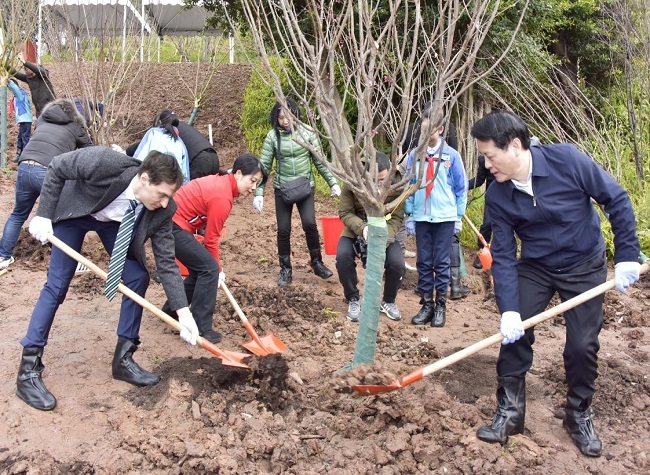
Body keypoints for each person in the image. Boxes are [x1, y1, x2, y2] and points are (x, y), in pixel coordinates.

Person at [470, 110, 640, 457]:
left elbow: (617, 199)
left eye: (490, 156)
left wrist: (626, 255)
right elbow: (502, 256)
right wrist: (510, 310)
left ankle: (578, 413)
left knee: (582, 345)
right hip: (536, 266)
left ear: (514, 146)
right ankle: (511, 412)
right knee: (514, 335)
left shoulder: (567, 160)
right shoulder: (497, 195)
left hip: (583, 264)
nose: (487, 166)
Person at [16, 148, 200, 411]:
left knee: (137, 277)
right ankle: (28, 370)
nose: (163, 202)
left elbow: (166, 262)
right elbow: (57, 166)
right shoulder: (106, 163)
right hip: (77, 213)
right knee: (57, 285)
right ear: (144, 179)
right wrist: (44, 214)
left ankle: (123, 359)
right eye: (161, 194)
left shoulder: (163, 208)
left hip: (112, 223)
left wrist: (183, 313)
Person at [162, 154, 266, 343]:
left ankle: (170, 310)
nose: (253, 187)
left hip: (175, 223)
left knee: (200, 268)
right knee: (208, 269)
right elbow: (211, 239)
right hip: (171, 225)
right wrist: (217, 269)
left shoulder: (224, 185)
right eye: (252, 181)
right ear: (239, 173)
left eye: (257, 183)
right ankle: (202, 327)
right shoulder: (222, 197)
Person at [252, 98, 341, 286]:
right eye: (281, 118)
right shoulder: (272, 137)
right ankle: (285, 269)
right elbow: (265, 166)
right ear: (276, 118)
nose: (285, 121)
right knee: (283, 230)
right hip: (282, 189)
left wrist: (333, 182)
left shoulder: (308, 133)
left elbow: (319, 161)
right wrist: (259, 192)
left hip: (305, 186)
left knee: (310, 224)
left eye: (288, 117)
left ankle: (317, 263)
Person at [0, 98, 92, 270]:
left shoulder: (42, 120)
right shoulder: (75, 127)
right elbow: (90, 151)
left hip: (25, 165)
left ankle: (3, 256)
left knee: (18, 214)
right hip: (48, 172)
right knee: (59, 217)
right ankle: (71, 262)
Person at [404, 113, 467, 327]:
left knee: (441, 262)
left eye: (431, 130)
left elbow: (460, 187)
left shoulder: (451, 156)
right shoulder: (415, 155)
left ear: (440, 130)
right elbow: (410, 185)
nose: (427, 135)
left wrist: (458, 215)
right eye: (423, 131)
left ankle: (441, 305)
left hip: (445, 217)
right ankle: (427, 304)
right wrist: (410, 213)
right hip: (422, 216)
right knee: (423, 261)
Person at [336, 152, 406, 322]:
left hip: (384, 231)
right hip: (357, 229)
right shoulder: (352, 181)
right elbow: (345, 212)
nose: (378, 185)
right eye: (374, 181)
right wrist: (363, 229)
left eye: (382, 180)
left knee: (397, 263)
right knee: (343, 257)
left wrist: (383, 238)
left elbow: (397, 218)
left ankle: (388, 301)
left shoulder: (397, 185)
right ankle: (353, 298)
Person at [468, 136, 541, 269]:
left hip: (513, 198)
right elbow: (478, 181)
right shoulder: (484, 162)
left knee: (510, 230)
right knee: (487, 225)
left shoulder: (519, 161)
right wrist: (461, 186)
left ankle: (509, 257)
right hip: (494, 199)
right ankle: (482, 253)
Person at [126, 119, 220, 180]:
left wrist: (127, 152)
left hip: (199, 161)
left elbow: (143, 144)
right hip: (213, 157)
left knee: (188, 195)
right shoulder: (180, 127)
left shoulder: (164, 131)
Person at [132, 109, 190, 183]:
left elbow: (139, 157)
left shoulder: (153, 133)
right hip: (170, 185)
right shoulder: (180, 143)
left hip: (151, 178)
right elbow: (185, 176)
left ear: (160, 121)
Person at [12, 52, 56, 118]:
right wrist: (5, 65)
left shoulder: (43, 75)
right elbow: (16, 74)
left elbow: (38, 71)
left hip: (51, 107)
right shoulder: (28, 79)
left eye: (32, 74)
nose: (30, 76)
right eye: (28, 75)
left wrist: (24, 61)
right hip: (39, 110)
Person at [7, 79, 33, 160]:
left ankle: (26, 155)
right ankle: (19, 154)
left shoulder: (20, 93)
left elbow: (15, 89)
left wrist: (9, 82)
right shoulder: (17, 96)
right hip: (23, 120)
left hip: (25, 119)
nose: (11, 90)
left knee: (25, 137)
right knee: (20, 138)